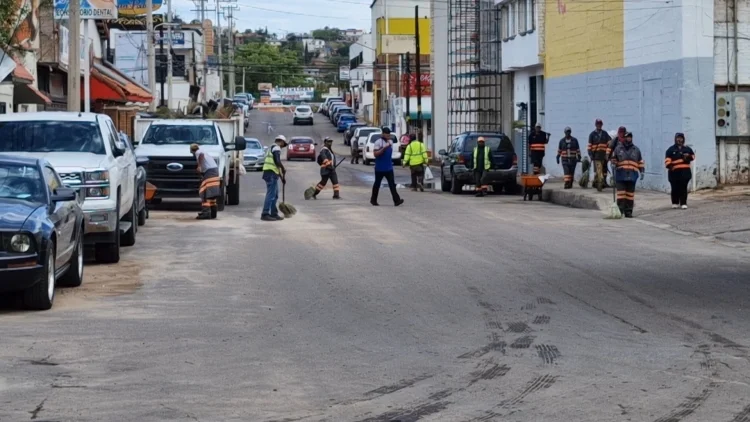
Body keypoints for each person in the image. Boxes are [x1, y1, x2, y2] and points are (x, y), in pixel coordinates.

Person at [610, 132, 645, 218]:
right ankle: (620, 211)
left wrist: (642, 171)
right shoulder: (618, 149)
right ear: (624, 138)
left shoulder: (636, 150)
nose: (629, 138)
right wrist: (613, 163)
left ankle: (628, 212)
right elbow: (613, 159)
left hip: (632, 175)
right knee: (621, 194)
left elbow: (640, 162)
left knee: (630, 195)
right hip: (621, 174)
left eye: (630, 137)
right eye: (627, 137)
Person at [370, 128, 404, 207]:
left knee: (392, 184)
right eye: (387, 134)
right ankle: (373, 200)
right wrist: (384, 148)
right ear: (383, 134)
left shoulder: (390, 142)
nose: (388, 136)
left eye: (389, 135)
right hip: (379, 168)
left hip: (389, 167)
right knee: (377, 184)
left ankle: (397, 200)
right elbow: (375, 154)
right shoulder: (378, 142)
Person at [261, 135, 288, 221]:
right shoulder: (276, 148)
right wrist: (283, 168)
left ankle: (274, 213)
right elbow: (277, 161)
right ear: (281, 142)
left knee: (275, 195)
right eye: (283, 144)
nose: (283, 147)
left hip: (272, 173)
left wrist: (281, 178)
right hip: (270, 173)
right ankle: (265, 214)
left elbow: (276, 166)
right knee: (271, 194)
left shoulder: (271, 148)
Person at [665, 132, 695, 209]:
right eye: (678, 138)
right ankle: (675, 203)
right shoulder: (670, 149)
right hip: (674, 173)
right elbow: (667, 161)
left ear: (683, 139)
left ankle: (683, 203)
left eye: (681, 138)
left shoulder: (687, 149)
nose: (679, 139)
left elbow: (693, 157)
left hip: (685, 173)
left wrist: (688, 157)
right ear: (675, 139)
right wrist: (671, 167)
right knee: (674, 188)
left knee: (683, 188)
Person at [191, 143, 221, 220]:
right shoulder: (204, 151)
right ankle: (213, 213)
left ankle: (206, 213)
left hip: (210, 172)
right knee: (211, 193)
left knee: (203, 191)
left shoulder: (198, 152)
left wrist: (199, 166)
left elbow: (201, 155)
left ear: (192, 150)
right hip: (214, 171)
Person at [588, 119, 612, 191]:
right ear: (596, 125)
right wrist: (590, 155)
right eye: (598, 124)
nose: (599, 125)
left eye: (600, 124)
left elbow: (610, 144)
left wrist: (608, 154)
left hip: (604, 156)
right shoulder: (592, 135)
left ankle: (602, 182)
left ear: (602, 125)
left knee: (604, 170)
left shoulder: (605, 134)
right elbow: (589, 146)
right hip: (596, 156)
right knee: (599, 171)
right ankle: (599, 185)